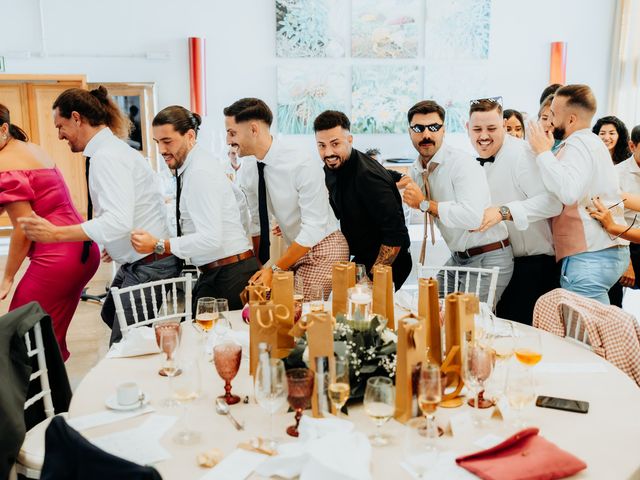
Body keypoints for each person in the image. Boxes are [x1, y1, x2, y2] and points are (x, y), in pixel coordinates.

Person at [18, 86, 181, 345]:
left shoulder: (108, 158)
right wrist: (116, 244)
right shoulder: (110, 151)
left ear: (76, 117)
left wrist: (55, 233)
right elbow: (122, 214)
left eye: (60, 126)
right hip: (139, 259)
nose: (60, 136)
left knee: (124, 346)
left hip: (150, 264)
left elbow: (117, 221)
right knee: (109, 313)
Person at [131, 106, 258, 310]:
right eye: (157, 143)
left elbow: (211, 238)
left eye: (167, 141)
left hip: (228, 276)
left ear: (190, 136)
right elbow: (239, 203)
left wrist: (159, 244)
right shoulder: (196, 165)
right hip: (224, 269)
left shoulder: (199, 172)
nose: (162, 150)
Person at [0, 105, 99, 361]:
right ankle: (51, 395)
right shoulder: (28, 148)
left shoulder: (5, 162)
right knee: (47, 335)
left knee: (19, 334)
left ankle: (32, 397)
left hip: (58, 254)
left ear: (2, 129)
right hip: (83, 247)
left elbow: (24, 229)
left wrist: (8, 277)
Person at [223, 98, 349, 300]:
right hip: (293, 251)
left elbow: (314, 227)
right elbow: (257, 223)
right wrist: (259, 267)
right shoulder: (248, 168)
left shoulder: (301, 162)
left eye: (232, 133)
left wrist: (273, 269)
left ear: (254, 129)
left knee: (298, 319)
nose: (228, 140)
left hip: (324, 248)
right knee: (269, 309)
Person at [400, 100, 514, 306]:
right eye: (418, 128)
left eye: (433, 127)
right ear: (410, 132)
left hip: (488, 255)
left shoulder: (462, 164)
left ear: (444, 131)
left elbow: (473, 217)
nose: (426, 134)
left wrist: (425, 204)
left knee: (466, 325)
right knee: (431, 309)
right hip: (459, 257)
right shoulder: (416, 170)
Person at [528, 84, 629, 304]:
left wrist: (543, 153)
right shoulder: (591, 143)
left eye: (554, 114)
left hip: (590, 255)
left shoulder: (578, 145)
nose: (550, 120)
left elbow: (569, 192)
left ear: (571, 119)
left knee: (586, 330)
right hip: (603, 251)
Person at [468, 99, 562, 324]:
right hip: (496, 264)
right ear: (467, 128)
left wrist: (503, 211)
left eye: (491, 128)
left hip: (531, 267)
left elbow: (552, 203)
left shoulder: (521, 154)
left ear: (503, 125)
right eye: (477, 129)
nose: (484, 135)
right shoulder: (472, 161)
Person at [313, 110, 412, 290]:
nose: (328, 152)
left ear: (349, 140)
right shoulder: (332, 167)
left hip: (391, 262)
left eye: (335, 144)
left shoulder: (368, 177)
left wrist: (371, 279)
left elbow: (396, 235)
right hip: (362, 257)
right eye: (321, 145)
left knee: (370, 314)